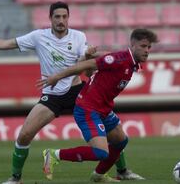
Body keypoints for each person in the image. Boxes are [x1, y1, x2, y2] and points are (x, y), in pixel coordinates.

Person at [0, 1, 144, 184]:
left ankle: (122, 171)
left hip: (78, 91)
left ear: (68, 18)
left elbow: (87, 61)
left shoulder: (78, 36)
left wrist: (89, 54)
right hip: (52, 95)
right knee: (24, 135)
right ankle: (15, 178)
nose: (61, 20)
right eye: (57, 17)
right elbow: (6, 44)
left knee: (115, 135)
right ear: (50, 18)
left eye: (64, 16)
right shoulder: (38, 36)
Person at [37, 28, 158, 182]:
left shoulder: (130, 62)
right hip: (87, 108)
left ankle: (100, 175)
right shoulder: (120, 60)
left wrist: (90, 56)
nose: (147, 51)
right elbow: (86, 64)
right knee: (101, 153)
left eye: (149, 47)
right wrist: (57, 77)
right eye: (143, 46)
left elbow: (95, 64)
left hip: (103, 108)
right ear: (133, 45)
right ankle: (54, 154)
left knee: (121, 140)